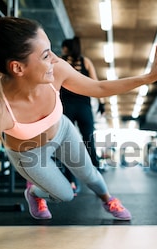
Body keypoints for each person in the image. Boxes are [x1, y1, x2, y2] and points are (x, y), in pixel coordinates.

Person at [0, 16, 157, 249]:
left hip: (62, 131)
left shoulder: (56, 71)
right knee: (66, 194)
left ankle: (107, 199)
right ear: (18, 68)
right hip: (29, 156)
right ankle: (35, 193)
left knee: (92, 176)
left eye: (50, 51)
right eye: (45, 55)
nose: (53, 60)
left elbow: (98, 87)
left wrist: (148, 77)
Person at [59, 36, 105, 195]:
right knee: (88, 139)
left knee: (67, 143)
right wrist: (102, 103)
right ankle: (97, 176)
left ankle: (71, 179)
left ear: (67, 48)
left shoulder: (61, 61)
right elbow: (96, 83)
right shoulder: (85, 61)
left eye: (64, 47)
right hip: (83, 106)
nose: (62, 50)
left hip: (68, 105)